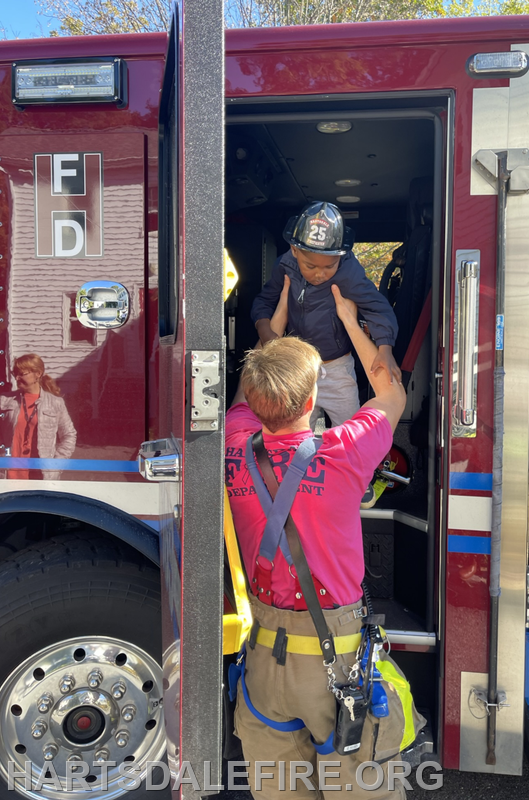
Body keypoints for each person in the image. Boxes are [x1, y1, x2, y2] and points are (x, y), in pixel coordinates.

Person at [226, 285, 424, 799]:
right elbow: (392, 392)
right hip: (339, 662)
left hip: (265, 662)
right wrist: (349, 320)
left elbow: (247, 398)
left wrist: (275, 323)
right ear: (313, 400)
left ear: (253, 396)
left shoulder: (232, 446)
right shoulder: (344, 450)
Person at [251, 201, 401, 429]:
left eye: (329, 267)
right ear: (294, 250)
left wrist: (385, 348)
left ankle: (348, 464)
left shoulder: (349, 273)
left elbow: (376, 305)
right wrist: (265, 332)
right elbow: (264, 300)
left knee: (349, 426)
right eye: (310, 266)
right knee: (295, 431)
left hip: (337, 367)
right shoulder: (284, 266)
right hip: (297, 368)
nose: (320, 274)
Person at [0, 354, 77, 480]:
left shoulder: (55, 403)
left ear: (38, 374)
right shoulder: (3, 401)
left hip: (41, 477)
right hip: (7, 476)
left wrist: (56, 464)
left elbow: (69, 435)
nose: (17, 378)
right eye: (15, 373)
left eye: (22, 373)